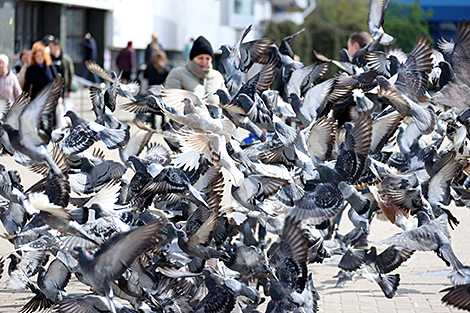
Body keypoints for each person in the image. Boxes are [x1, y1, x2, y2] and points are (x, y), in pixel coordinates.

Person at [165, 35, 226, 104]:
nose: (204, 62)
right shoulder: (177, 74)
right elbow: (171, 103)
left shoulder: (217, 76)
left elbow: (228, 105)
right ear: (192, 58)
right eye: (200, 58)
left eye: (208, 58)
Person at [143, 48, 170, 129]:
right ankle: (163, 124)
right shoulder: (165, 68)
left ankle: (153, 125)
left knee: (152, 108)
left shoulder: (150, 66)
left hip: (151, 88)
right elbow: (168, 79)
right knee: (162, 107)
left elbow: (145, 76)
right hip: (161, 88)